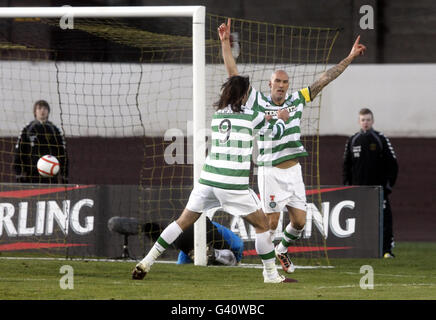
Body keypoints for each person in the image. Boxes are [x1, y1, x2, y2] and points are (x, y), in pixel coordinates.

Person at [219, 18, 367, 273]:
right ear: (269, 84)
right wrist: (225, 44)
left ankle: (282, 250)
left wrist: (350, 56)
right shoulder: (257, 101)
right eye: (277, 82)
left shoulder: (298, 100)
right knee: (272, 222)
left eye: (285, 82)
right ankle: (269, 270)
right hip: (270, 171)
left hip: (294, 171)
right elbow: (233, 75)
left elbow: (324, 79)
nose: (281, 86)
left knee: (299, 222)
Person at [132, 75, 295, 283]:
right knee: (263, 225)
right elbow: (273, 132)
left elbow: (252, 122)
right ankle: (271, 274)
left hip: (208, 180)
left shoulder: (218, 115)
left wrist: (268, 118)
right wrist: (281, 119)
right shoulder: (251, 116)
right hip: (232, 183)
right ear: (245, 94)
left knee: (181, 221)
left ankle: (146, 261)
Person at [343, 108, 398, 258]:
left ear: (372, 121)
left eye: (368, 120)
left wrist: (387, 186)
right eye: (363, 120)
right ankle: (361, 249)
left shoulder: (380, 139)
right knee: (359, 220)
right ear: (359, 122)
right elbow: (346, 166)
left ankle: (387, 250)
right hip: (359, 190)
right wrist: (347, 186)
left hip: (378, 189)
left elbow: (393, 164)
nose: (365, 123)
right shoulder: (352, 140)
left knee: (384, 219)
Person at [144, 217, 244, 266]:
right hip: (204, 225)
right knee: (232, 261)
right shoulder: (232, 239)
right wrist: (237, 260)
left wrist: (181, 263)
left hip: (183, 233)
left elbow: (182, 262)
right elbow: (239, 245)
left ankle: (209, 254)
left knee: (202, 260)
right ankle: (214, 254)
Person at [13, 100, 68, 184]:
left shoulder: (55, 130)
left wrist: (65, 175)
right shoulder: (28, 129)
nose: (42, 110)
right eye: (39, 108)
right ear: (35, 111)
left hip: (51, 174)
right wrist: (18, 173)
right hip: (32, 174)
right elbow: (19, 151)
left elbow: (63, 153)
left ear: (48, 112)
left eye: (45, 108)